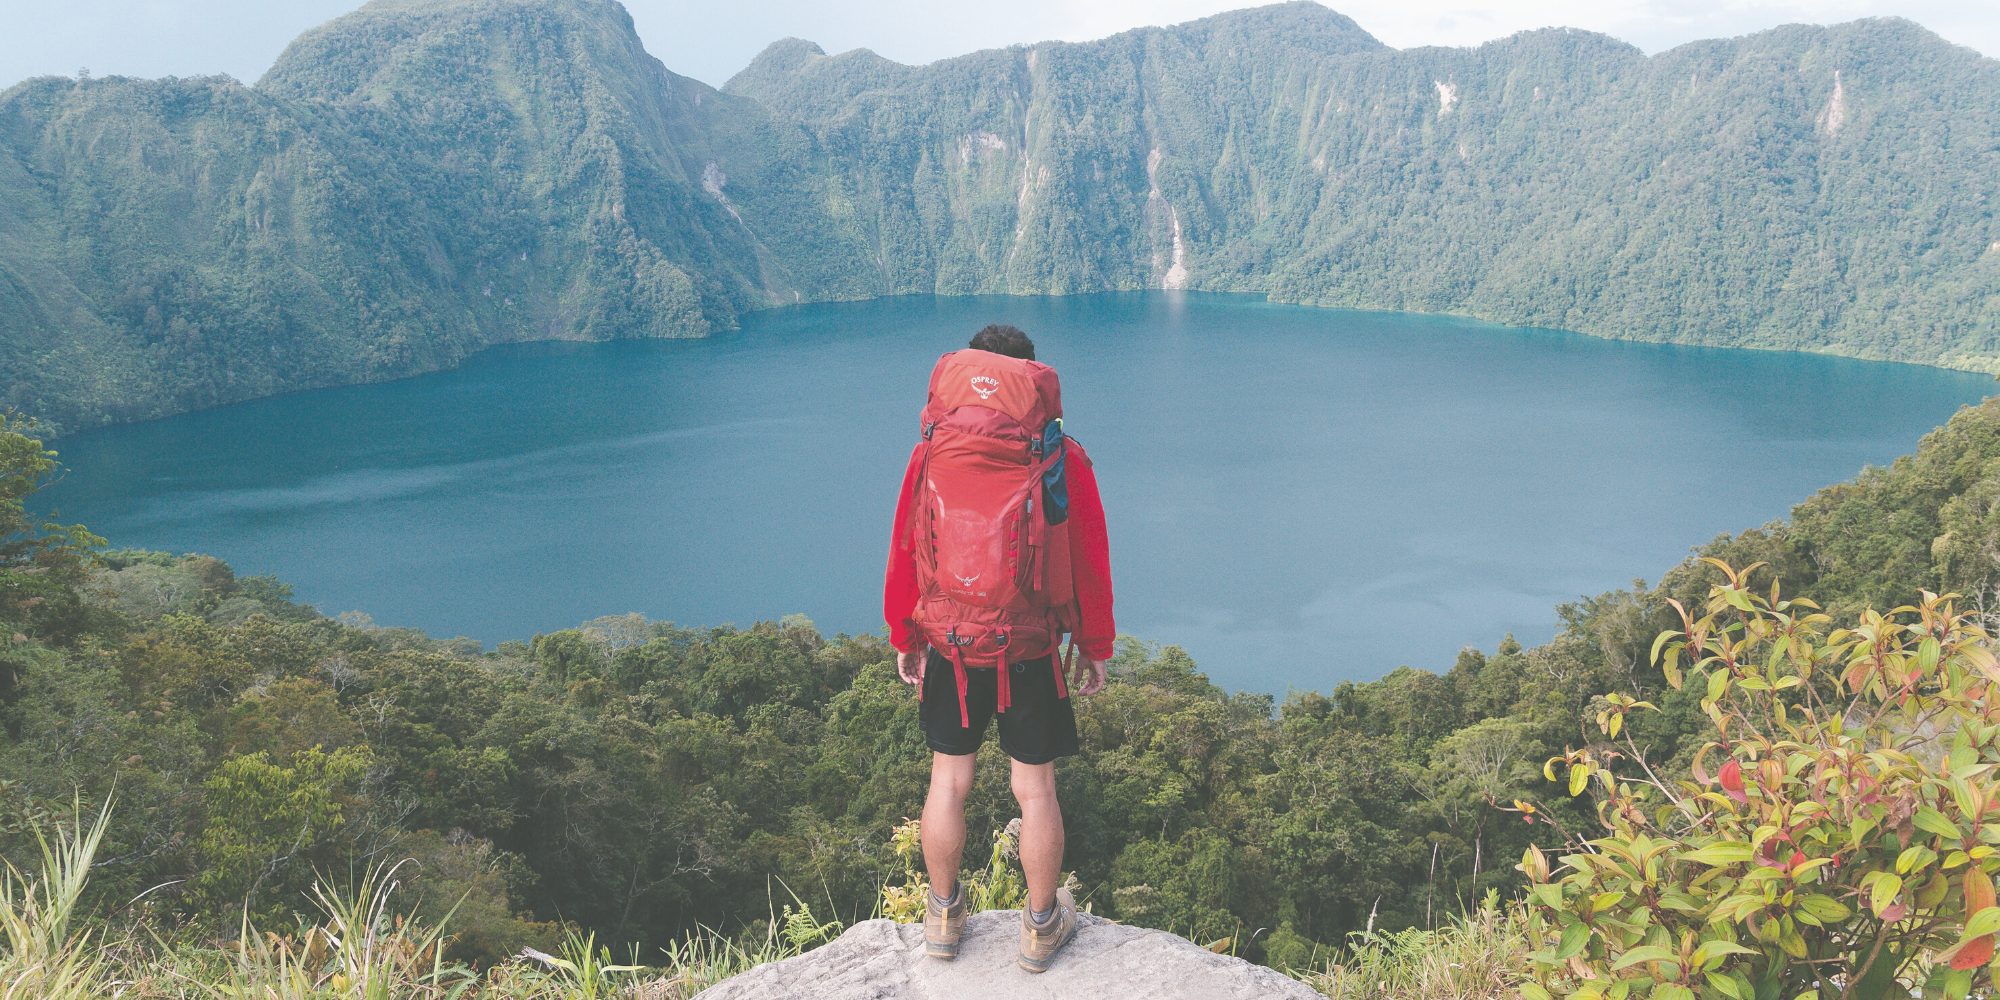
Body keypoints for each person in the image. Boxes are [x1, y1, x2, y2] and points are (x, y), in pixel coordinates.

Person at [883, 323, 1115, 973]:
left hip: (952, 643)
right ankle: (1042, 927)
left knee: (948, 782)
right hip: (1030, 646)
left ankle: (942, 917)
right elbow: (1090, 559)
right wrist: (1096, 644)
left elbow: (905, 545)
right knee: (1034, 790)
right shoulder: (1060, 455)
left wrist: (906, 633)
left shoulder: (931, 449)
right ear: (1030, 381)